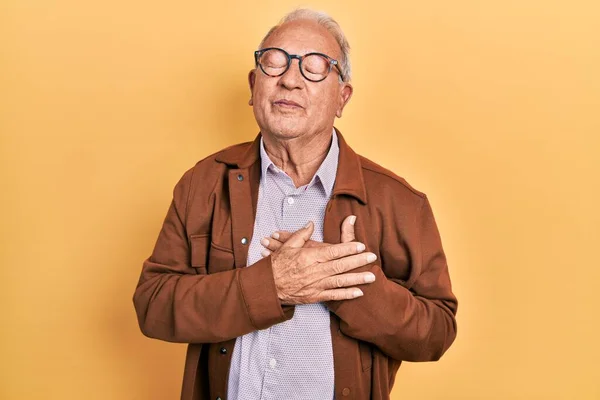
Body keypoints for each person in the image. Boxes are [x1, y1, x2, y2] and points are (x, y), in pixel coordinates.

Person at [133, 8, 457, 400]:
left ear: (342, 96)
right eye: (274, 63)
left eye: (315, 67)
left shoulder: (400, 202)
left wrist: (350, 288)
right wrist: (270, 285)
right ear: (254, 87)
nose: (289, 80)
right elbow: (152, 305)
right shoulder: (203, 183)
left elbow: (437, 332)